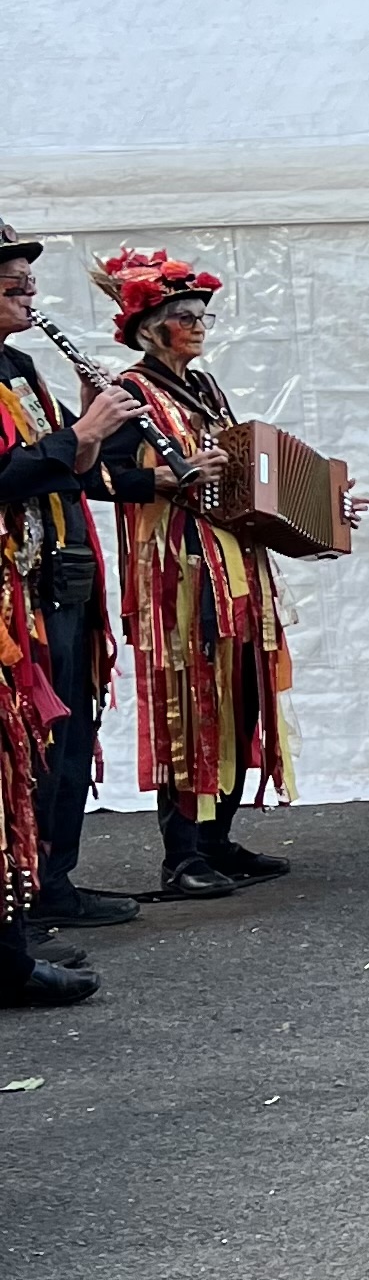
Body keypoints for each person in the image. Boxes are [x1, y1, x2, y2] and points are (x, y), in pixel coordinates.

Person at [90, 250, 292, 898]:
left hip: (234, 563)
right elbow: (93, 476)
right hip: (178, 570)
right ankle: (181, 856)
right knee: (190, 701)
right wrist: (163, 477)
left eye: (202, 314)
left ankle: (216, 839)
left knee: (241, 695)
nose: (200, 325)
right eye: (185, 316)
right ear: (150, 327)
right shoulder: (126, 392)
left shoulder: (205, 389)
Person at [0, 227, 156, 954]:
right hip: (11, 595)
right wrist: (80, 433)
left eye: (27, 276)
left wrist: (91, 425)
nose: (26, 285)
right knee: (22, 747)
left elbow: (70, 467)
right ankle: (16, 909)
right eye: (10, 276)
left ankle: (52, 882)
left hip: (60, 573)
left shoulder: (21, 365)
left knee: (68, 735)